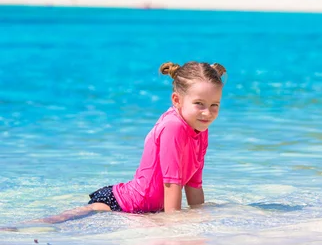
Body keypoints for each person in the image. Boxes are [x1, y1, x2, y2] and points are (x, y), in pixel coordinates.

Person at [39, 61, 226, 224]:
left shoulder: (200, 128)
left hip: (145, 212)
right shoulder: (173, 126)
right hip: (119, 206)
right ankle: (18, 229)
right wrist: (174, 228)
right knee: (56, 223)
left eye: (214, 105)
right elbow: (172, 184)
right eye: (199, 103)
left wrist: (201, 221)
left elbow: (194, 184)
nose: (207, 113)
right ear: (177, 100)